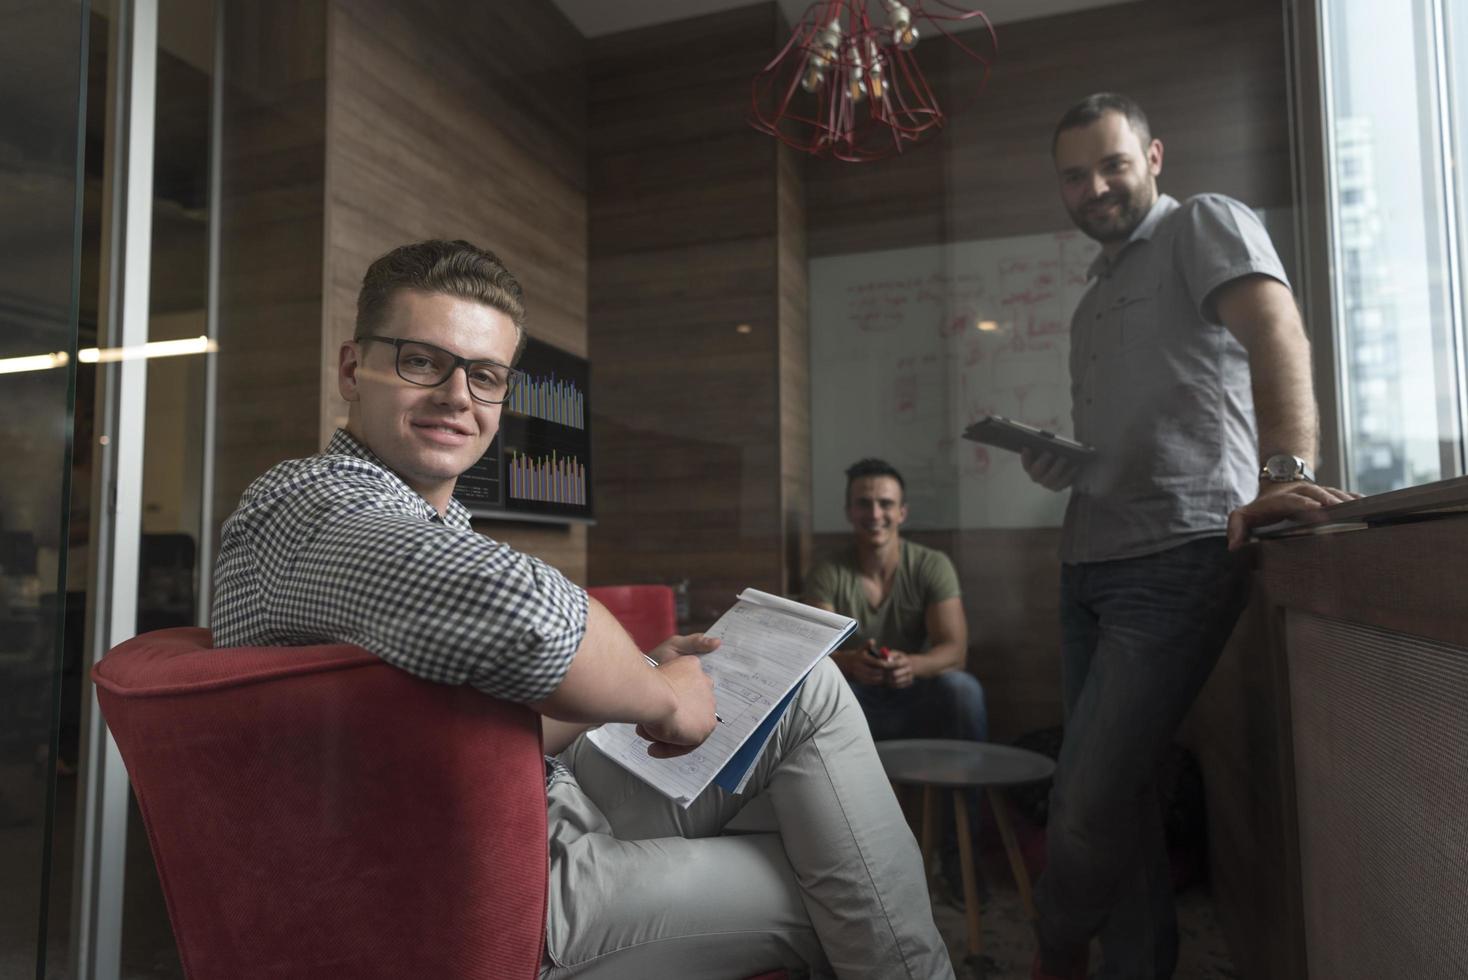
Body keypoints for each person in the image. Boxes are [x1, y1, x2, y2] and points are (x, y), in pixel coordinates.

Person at [210, 239, 954, 980]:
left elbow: (473, 723)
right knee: (838, 887)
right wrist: (657, 695)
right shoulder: (309, 501)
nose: (456, 396)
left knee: (808, 700)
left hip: (526, 808)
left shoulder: (423, 525)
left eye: (485, 375)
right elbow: (524, 607)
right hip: (474, 882)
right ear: (352, 369)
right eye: (420, 361)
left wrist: (640, 670)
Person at [1020, 94, 1357, 980]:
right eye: (1073, 174)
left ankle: (1053, 953)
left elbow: (1276, 325)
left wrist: (1284, 472)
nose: (1093, 186)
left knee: (1083, 801)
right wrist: (1066, 464)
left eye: (1112, 164)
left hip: (1180, 558)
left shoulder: (1204, 223)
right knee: (1118, 796)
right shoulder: (1091, 303)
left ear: (1154, 158)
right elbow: (1137, 431)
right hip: (1084, 561)